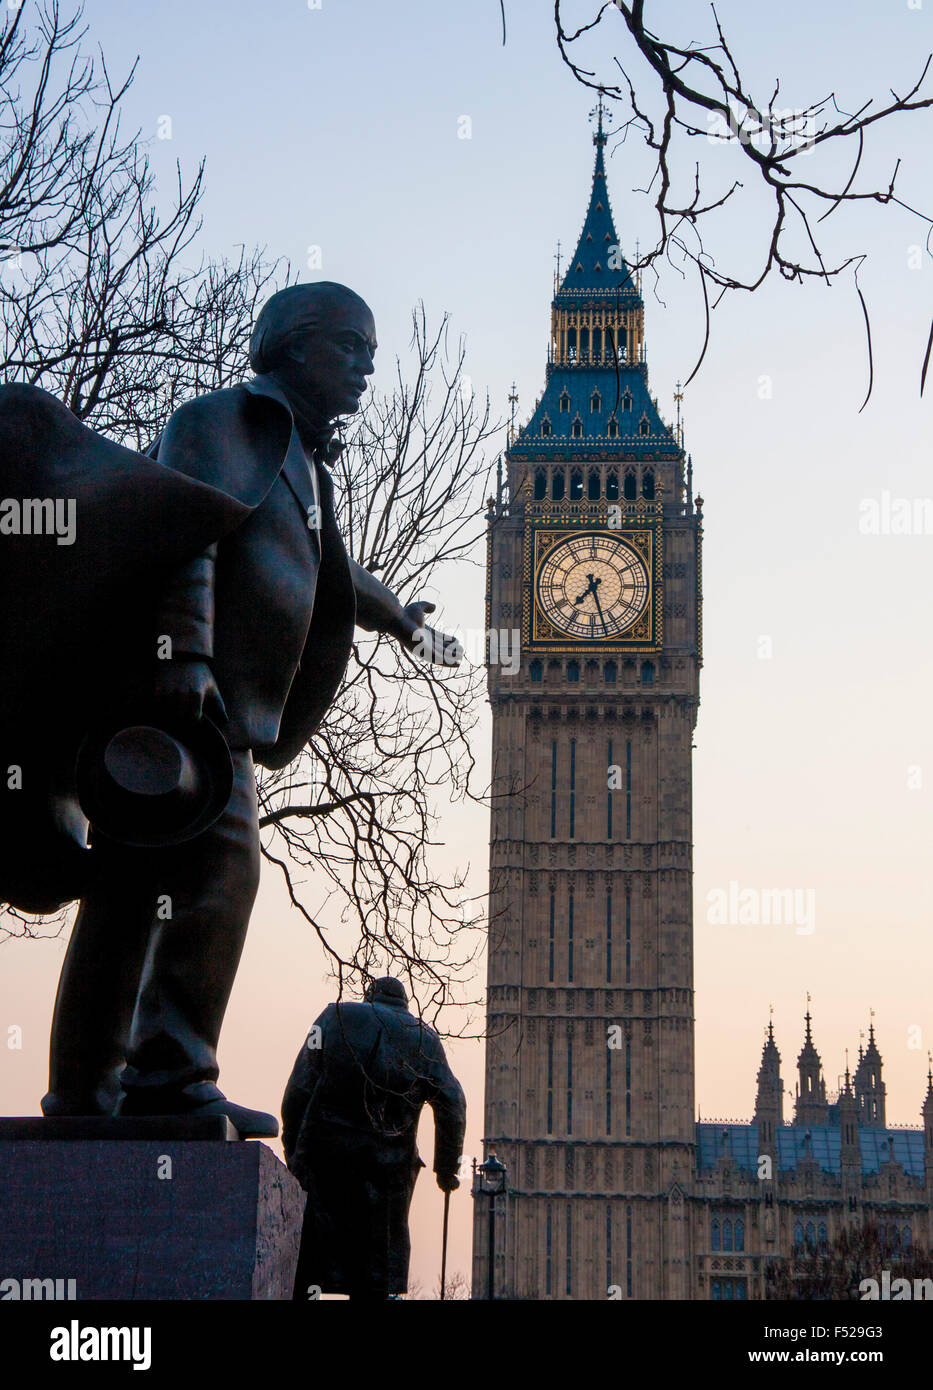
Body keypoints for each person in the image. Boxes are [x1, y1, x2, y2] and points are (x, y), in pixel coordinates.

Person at [8, 282, 462, 1135]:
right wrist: (183, 649)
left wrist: (399, 618)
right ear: (292, 345)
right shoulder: (226, 422)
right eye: (349, 346)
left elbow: (332, 575)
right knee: (222, 875)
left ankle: (84, 1091)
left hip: (213, 706)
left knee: (131, 889)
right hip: (186, 701)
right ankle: (172, 1081)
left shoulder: (299, 460)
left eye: (370, 351)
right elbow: (185, 524)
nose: (366, 368)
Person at [282, 976, 465, 1299]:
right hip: (387, 1175)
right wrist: (446, 1168)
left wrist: (293, 1149)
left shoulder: (332, 1018)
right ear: (404, 1005)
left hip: (325, 1160)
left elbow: (298, 1087)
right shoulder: (426, 1040)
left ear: (369, 996)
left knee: (309, 1263)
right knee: (373, 1275)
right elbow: (452, 1103)